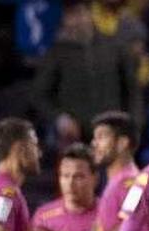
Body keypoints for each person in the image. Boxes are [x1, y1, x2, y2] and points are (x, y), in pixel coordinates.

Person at [31, 0, 143, 137]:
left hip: (113, 134)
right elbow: (38, 95)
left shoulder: (115, 47)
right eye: (69, 16)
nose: (74, 22)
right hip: (75, 136)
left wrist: (133, 126)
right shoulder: (57, 53)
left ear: (90, 15)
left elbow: (133, 91)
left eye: (79, 14)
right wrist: (60, 119)